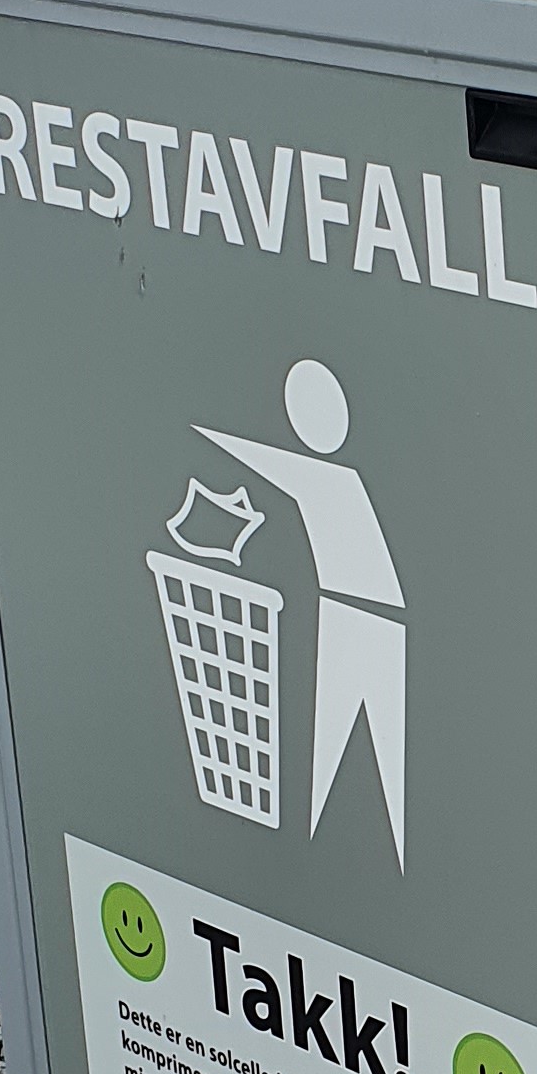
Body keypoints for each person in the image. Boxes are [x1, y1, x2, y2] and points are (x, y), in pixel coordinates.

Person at [198, 359, 407, 857]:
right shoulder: (336, 480)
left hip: (373, 620)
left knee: (380, 761)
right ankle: (322, 848)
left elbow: (281, 469)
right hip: (353, 614)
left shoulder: (334, 480)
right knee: (334, 751)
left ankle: (357, 848)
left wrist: (224, 442)